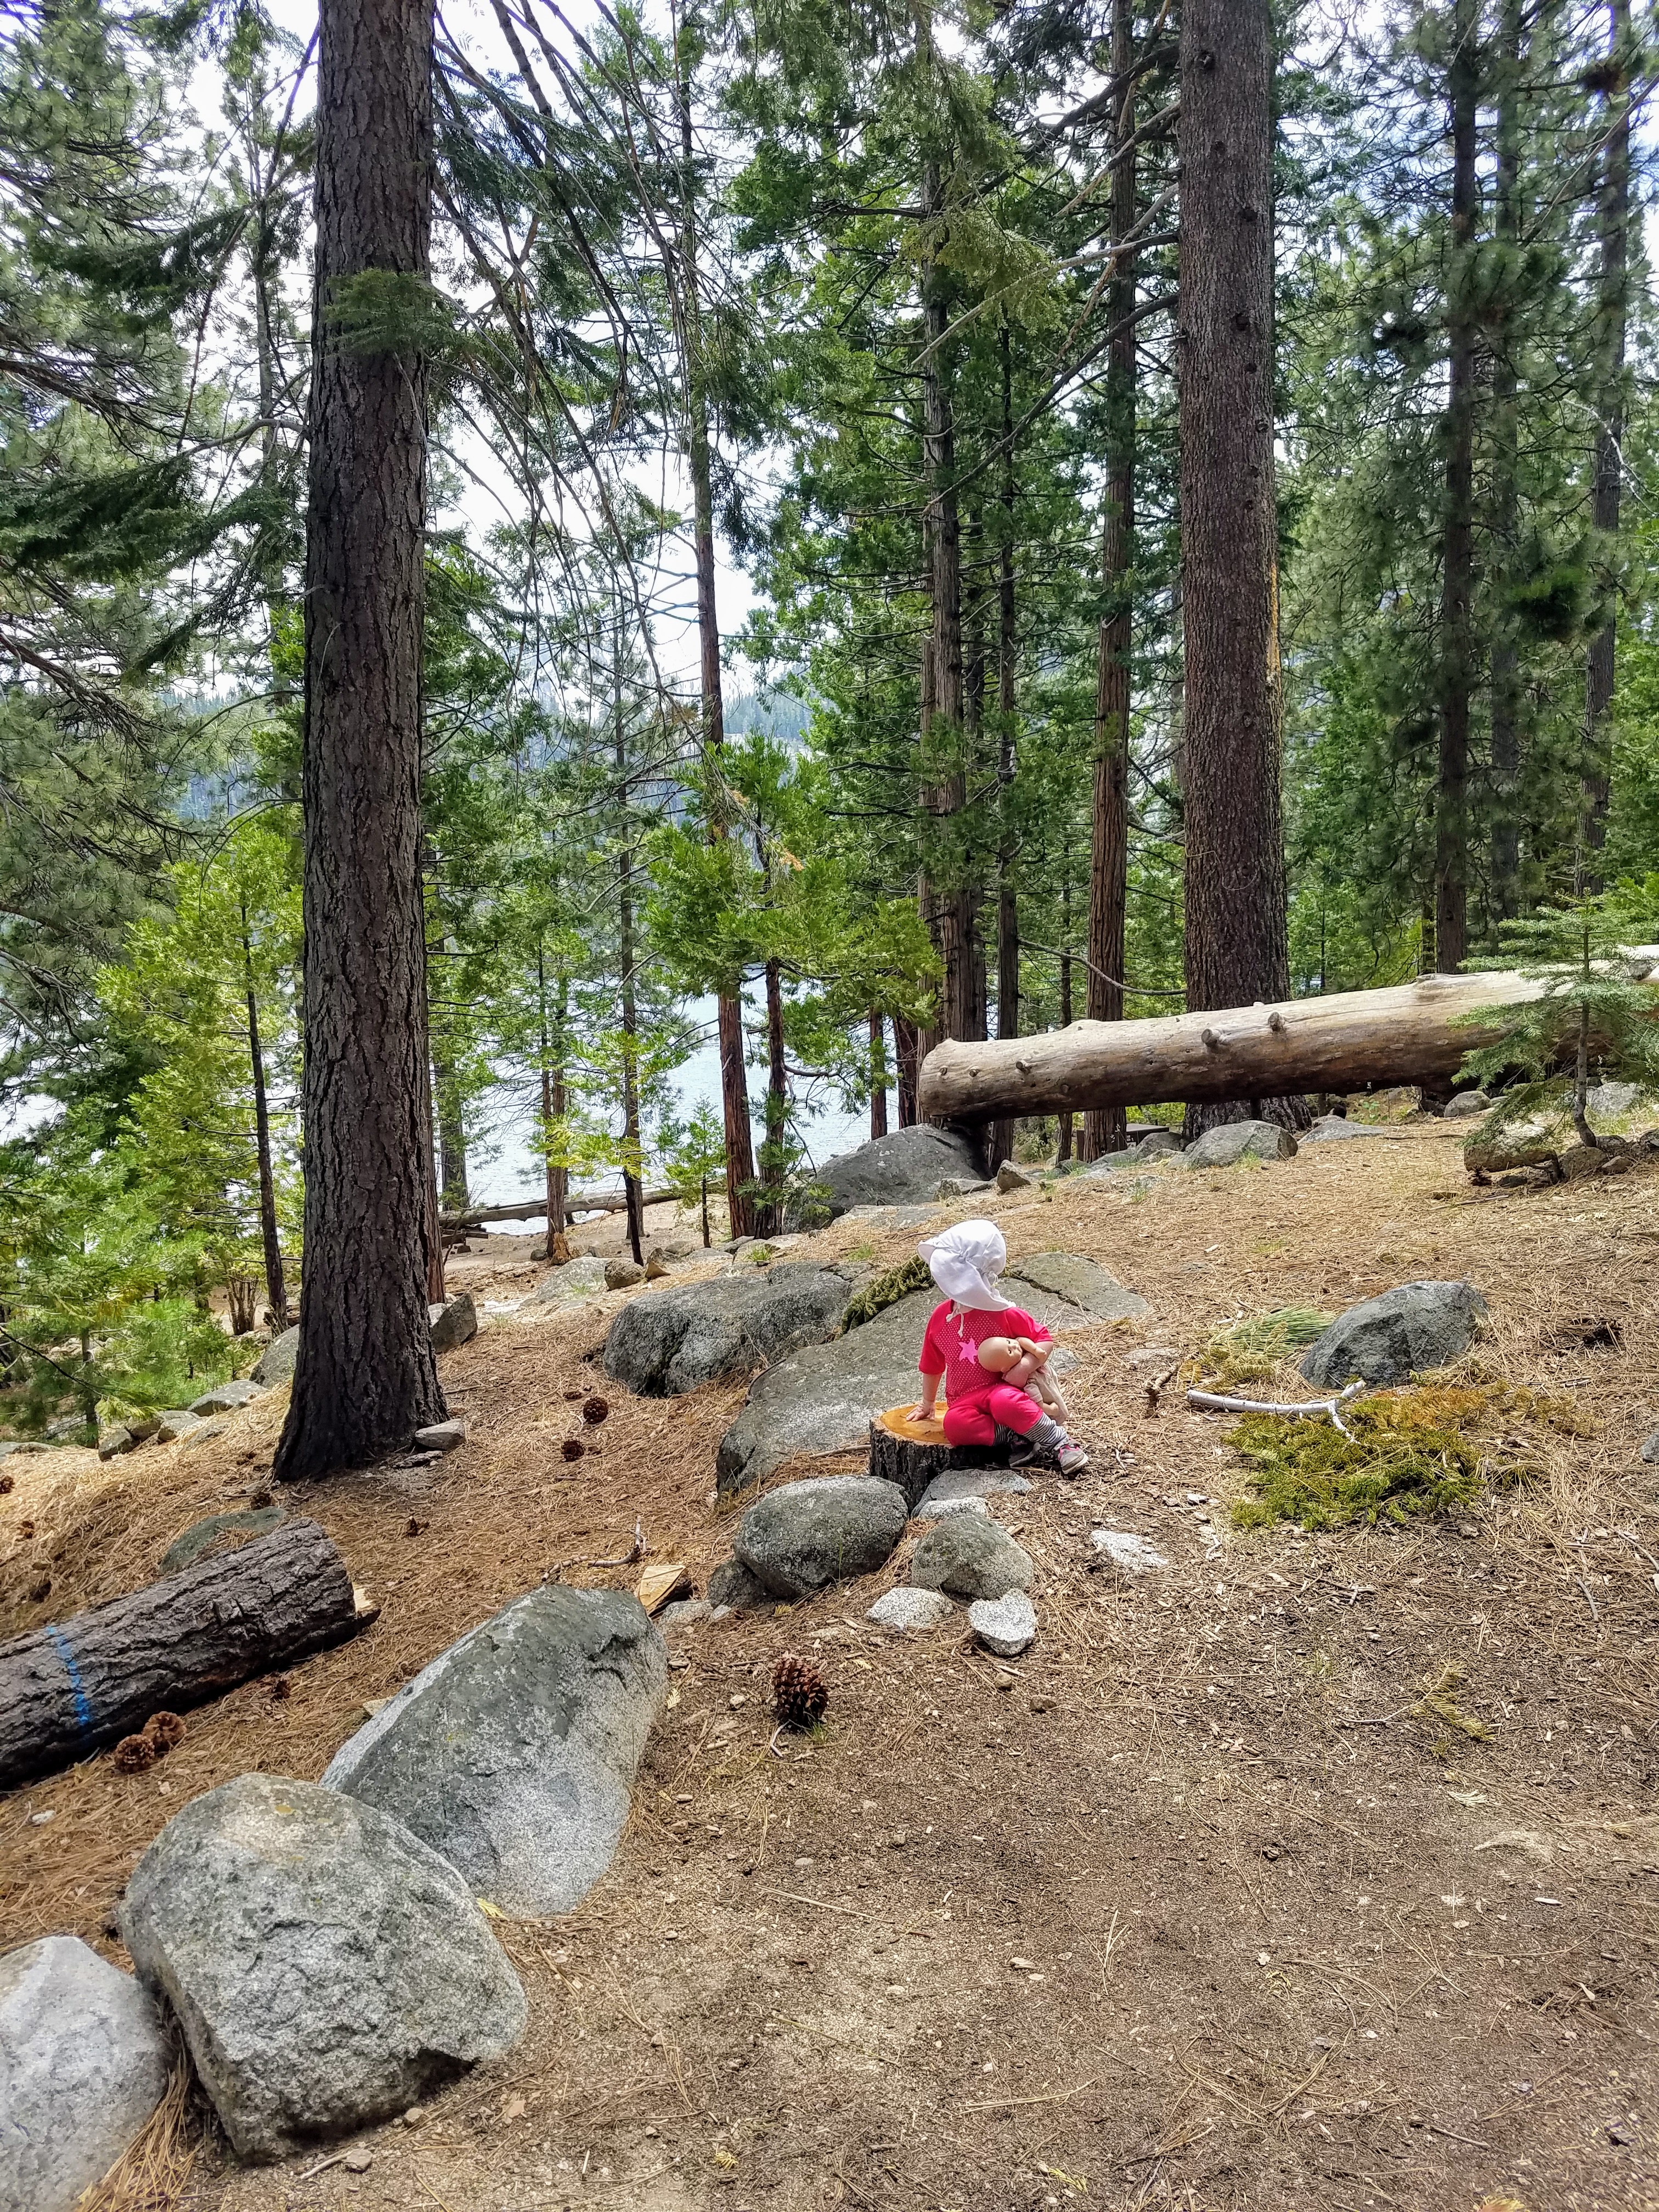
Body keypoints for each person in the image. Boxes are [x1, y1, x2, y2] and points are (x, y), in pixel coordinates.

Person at [909, 1219, 1089, 1475]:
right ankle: (1020, 1434)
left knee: (1007, 1402)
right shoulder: (941, 1317)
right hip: (963, 1400)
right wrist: (928, 1403)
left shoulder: (1003, 1313)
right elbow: (932, 1362)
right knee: (955, 1425)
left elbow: (1044, 1339)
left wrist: (1025, 1367)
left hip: (1002, 1388)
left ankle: (1059, 1441)